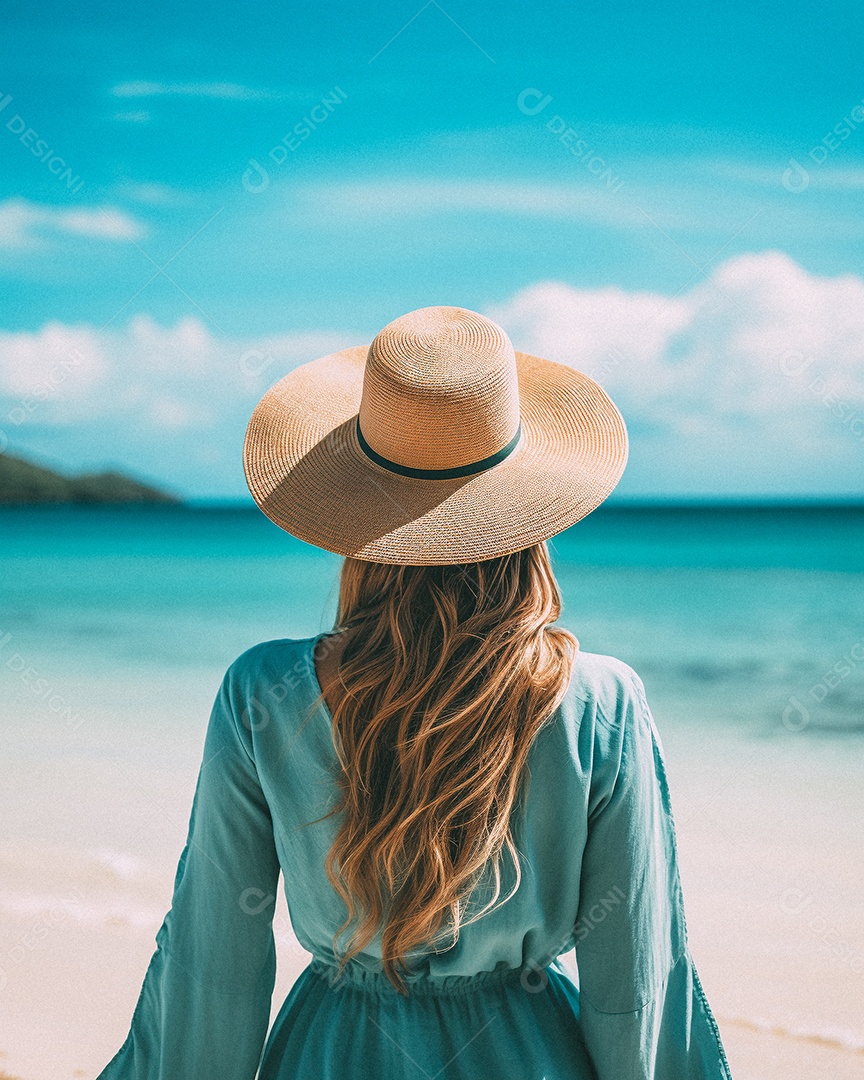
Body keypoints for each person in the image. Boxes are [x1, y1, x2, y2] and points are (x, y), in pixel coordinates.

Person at [98, 306, 732, 1079]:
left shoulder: (261, 692)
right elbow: (634, 978)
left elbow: (214, 961)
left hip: (332, 1052)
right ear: (530, 516)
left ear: (354, 518)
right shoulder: (601, 703)